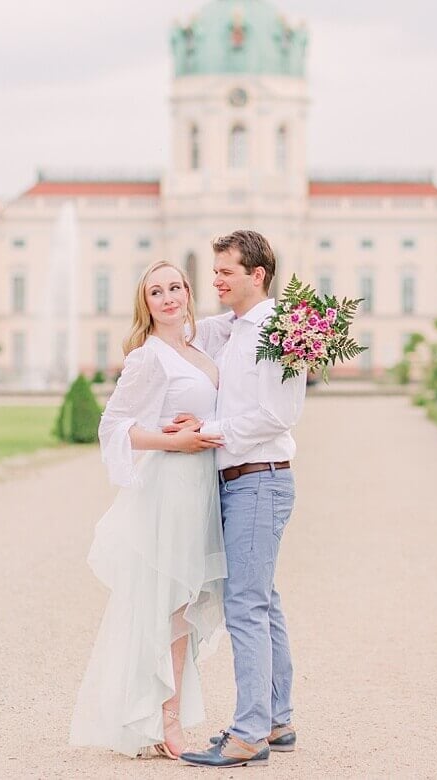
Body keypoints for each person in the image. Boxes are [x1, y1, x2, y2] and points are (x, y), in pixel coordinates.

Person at [69, 261, 232, 760]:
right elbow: (114, 426)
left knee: (184, 602)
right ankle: (164, 718)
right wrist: (172, 439)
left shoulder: (200, 349)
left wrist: (202, 425)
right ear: (146, 303)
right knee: (171, 603)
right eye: (156, 291)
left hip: (203, 483)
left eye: (175, 287)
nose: (168, 297)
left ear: (188, 292)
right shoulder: (149, 357)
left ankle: (168, 713)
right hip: (172, 486)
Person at [176, 231, 307, 769]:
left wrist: (208, 429)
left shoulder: (279, 331)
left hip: (259, 478)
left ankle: (250, 730)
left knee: (246, 605)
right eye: (214, 271)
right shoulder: (228, 329)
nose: (216, 280)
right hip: (242, 479)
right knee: (262, 599)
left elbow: (278, 415)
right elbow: (175, 329)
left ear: (258, 275)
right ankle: (275, 718)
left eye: (226, 271)